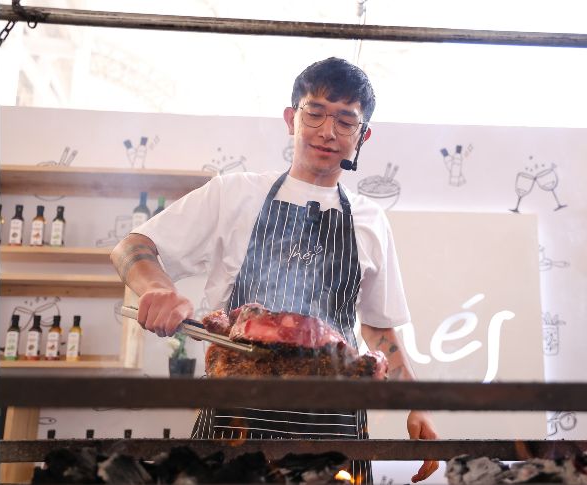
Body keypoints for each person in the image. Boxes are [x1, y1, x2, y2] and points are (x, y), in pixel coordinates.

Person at [110, 57, 439, 484]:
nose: (327, 131)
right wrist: (157, 288)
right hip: (237, 417)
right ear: (291, 119)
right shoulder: (234, 193)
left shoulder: (369, 220)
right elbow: (132, 247)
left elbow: (377, 331)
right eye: (314, 112)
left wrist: (415, 403)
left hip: (334, 426)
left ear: (363, 135)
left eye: (344, 120)